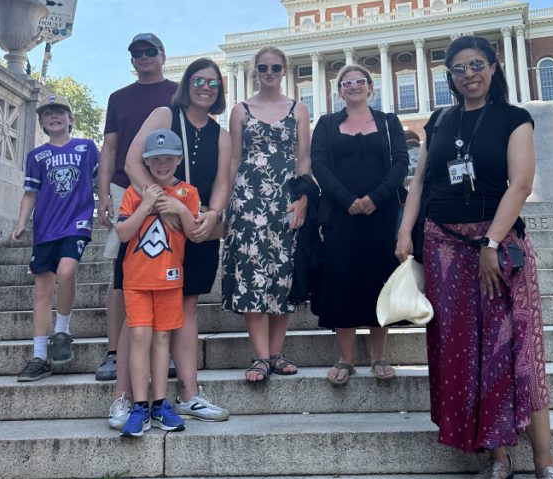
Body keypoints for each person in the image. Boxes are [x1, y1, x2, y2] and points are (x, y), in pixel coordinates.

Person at [396, 35, 553, 479]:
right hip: (443, 247)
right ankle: (497, 459)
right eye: (458, 68)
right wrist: (405, 232)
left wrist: (492, 243)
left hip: (497, 246)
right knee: (469, 356)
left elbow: (521, 184)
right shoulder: (440, 121)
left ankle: (545, 464)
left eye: (477, 65)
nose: (468, 74)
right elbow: (419, 183)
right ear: (450, 77)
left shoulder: (514, 119)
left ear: (494, 68)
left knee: (516, 351)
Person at [124, 57, 231, 423]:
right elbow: (132, 162)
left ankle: (189, 393)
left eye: (213, 83)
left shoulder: (222, 133)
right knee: (137, 318)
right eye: (199, 80)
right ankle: (126, 397)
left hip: (196, 228)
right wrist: (160, 202)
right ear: (186, 83)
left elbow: (222, 183)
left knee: (186, 308)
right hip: (152, 229)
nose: (205, 87)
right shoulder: (164, 115)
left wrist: (212, 215)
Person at [311, 65, 408, 384]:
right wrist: (346, 198)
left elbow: (400, 163)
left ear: (370, 88)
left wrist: (375, 197)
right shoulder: (326, 124)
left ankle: (379, 355)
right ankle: (346, 357)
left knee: (380, 278)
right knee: (341, 279)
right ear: (339, 91)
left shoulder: (388, 122)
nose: (353, 86)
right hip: (341, 213)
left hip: (382, 213)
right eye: (346, 83)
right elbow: (319, 164)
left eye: (360, 81)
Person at [95, 33, 177, 395]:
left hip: (167, 186)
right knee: (120, 271)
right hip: (123, 186)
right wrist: (102, 195)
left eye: (149, 51)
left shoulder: (178, 92)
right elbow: (110, 147)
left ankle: (165, 349)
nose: (142, 57)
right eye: (136, 53)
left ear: (162, 55)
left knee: (165, 265)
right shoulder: (119, 97)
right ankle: (115, 350)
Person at [223, 45, 311, 383]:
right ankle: (259, 356)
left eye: (275, 68)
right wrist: (229, 204)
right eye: (263, 68)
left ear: (284, 70)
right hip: (248, 201)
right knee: (251, 275)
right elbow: (234, 160)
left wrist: (303, 198)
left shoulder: (298, 109)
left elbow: (303, 160)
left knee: (282, 275)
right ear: (254, 72)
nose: (269, 73)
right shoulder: (241, 109)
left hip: (285, 201)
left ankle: (276, 353)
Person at [115, 128, 199, 437]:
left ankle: (160, 403)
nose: (162, 164)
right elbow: (124, 234)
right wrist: (147, 204)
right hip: (137, 280)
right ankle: (139, 405)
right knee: (139, 338)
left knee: (162, 340)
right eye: (155, 159)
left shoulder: (188, 192)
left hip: (170, 280)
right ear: (146, 162)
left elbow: (192, 233)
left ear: (178, 159)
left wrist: (177, 209)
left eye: (168, 158)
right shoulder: (135, 192)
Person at [12, 93, 99, 381]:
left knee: (67, 270)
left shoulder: (86, 148)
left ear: (70, 119)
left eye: (59, 111)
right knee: (42, 290)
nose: (54, 116)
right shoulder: (36, 156)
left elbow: (103, 177)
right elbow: (30, 193)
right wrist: (21, 222)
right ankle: (39, 356)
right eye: (48, 113)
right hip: (45, 227)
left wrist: (110, 204)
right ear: (42, 123)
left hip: (77, 222)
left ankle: (62, 331)